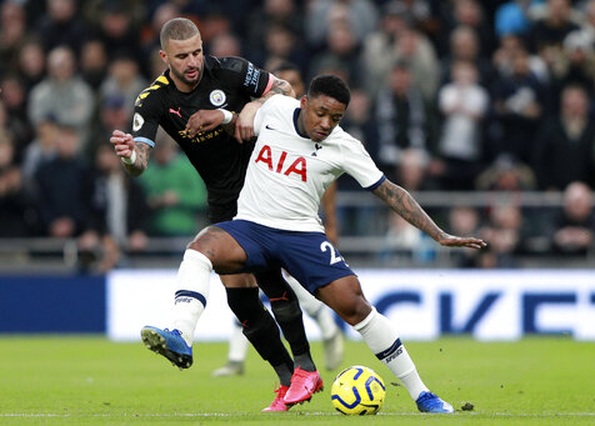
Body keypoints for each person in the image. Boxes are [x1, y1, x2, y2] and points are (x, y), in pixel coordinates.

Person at [171, 74, 487, 414]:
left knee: (355, 306)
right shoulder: (276, 109)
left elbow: (391, 191)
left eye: (335, 118)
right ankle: (181, 333)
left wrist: (438, 234)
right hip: (252, 227)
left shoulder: (345, 146)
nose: (326, 124)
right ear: (304, 103)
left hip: (301, 235)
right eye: (320, 113)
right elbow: (244, 119)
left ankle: (422, 394)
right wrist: (225, 115)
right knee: (200, 247)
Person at [109, 17, 321, 412]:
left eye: (197, 51)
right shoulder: (152, 100)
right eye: (182, 56)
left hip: (263, 186)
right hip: (223, 200)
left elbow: (288, 91)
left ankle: (306, 366)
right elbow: (140, 162)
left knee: (271, 279)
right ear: (164, 57)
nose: (193, 62)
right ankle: (288, 377)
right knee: (241, 302)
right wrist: (128, 159)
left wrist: (251, 108)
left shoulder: (232, 70)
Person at [213, 62, 344, 377]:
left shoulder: (316, 132)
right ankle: (236, 357)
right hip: (260, 213)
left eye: (295, 83)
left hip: (298, 223)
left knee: (295, 288)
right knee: (254, 284)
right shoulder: (269, 118)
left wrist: (331, 221)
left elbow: (328, 184)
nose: (290, 89)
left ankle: (327, 329)